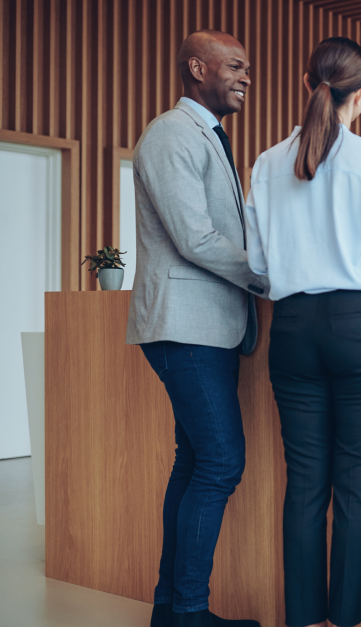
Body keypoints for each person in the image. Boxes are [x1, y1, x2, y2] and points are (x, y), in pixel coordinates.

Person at [243, 37, 361, 627]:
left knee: (304, 484)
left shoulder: (268, 163)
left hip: (293, 329)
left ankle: (302, 618)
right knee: (357, 482)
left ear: (307, 84)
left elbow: (258, 264)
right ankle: (343, 619)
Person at [126, 30, 268, 627]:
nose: (245, 77)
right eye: (234, 66)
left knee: (193, 463)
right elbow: (195, 237)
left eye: (247, 68)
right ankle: (188, 612)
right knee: (219, 464)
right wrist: (266, 274)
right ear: (196, 68)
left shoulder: (207, 135)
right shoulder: (170, 134)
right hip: (186, 327)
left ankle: (171, 609)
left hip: (208, 327)